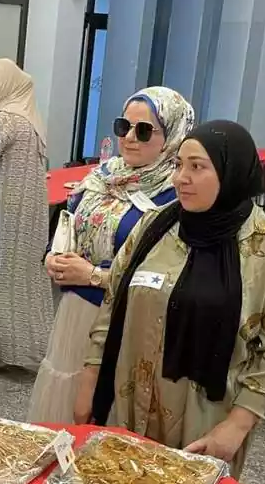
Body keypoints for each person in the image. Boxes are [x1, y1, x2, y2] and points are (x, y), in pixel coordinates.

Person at [75, 121, 265, 478]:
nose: (181, 177)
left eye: (197, 167)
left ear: (230, 173)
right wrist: (90, 382)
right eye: (179, 165)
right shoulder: (156, 227)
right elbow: (113, 304)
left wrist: (237, 426)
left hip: (204, 420)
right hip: (126, 403)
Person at [26, 87, 195, 424]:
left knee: (104, 413)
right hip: (75, 310)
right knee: (62, 405)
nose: (130, 138)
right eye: (123, 126)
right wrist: (52, 256)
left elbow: (165, 278)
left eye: (144, 130)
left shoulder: (174, 197)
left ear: (172, 136)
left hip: (125, 321)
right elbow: (68, 223)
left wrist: (92, 275)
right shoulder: (103, 177)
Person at [0, 58, 54, 370]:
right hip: (29, 214)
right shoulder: (30, 118)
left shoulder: (4, 119)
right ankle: (25, 347)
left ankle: (4, 351)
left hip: (4, 213)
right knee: (23, 282)